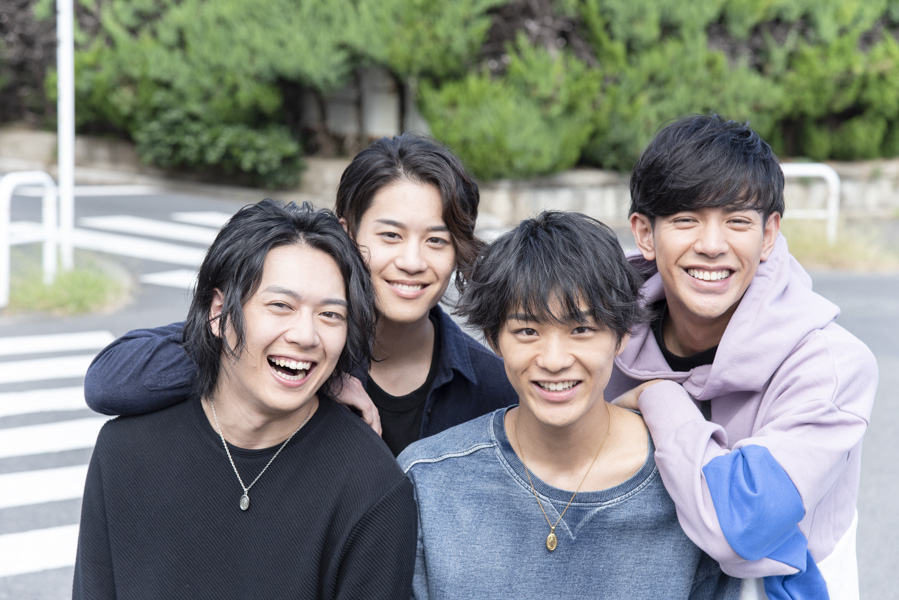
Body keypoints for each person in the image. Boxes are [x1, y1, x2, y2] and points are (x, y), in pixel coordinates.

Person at [82, 135, 516, 455]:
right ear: (347, 234)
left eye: (436, 241)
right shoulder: (296, 343)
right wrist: (306, 370)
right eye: (390, 235)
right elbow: (109, 382)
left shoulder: (495, 386)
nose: (412, 261)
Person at [73, 199, 417, 598]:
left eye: (330, 315)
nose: (306, 336)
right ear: (218, 312)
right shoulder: (126, 450)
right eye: (280, 306)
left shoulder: (373, 489)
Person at [398, 211, 739, 599]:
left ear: (622, 335)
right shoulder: (430, 479)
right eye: (528, 331)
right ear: (494, 340)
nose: (554, 360)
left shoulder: (689, 484)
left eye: (581, 329)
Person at [610, 114, 877, 599]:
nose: (712, 246)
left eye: (737, 221)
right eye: (686, 219)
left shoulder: (832, 366)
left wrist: (657, 397)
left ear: (769, 234)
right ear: (645, 233)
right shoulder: (598, 338)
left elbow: (742, 527)